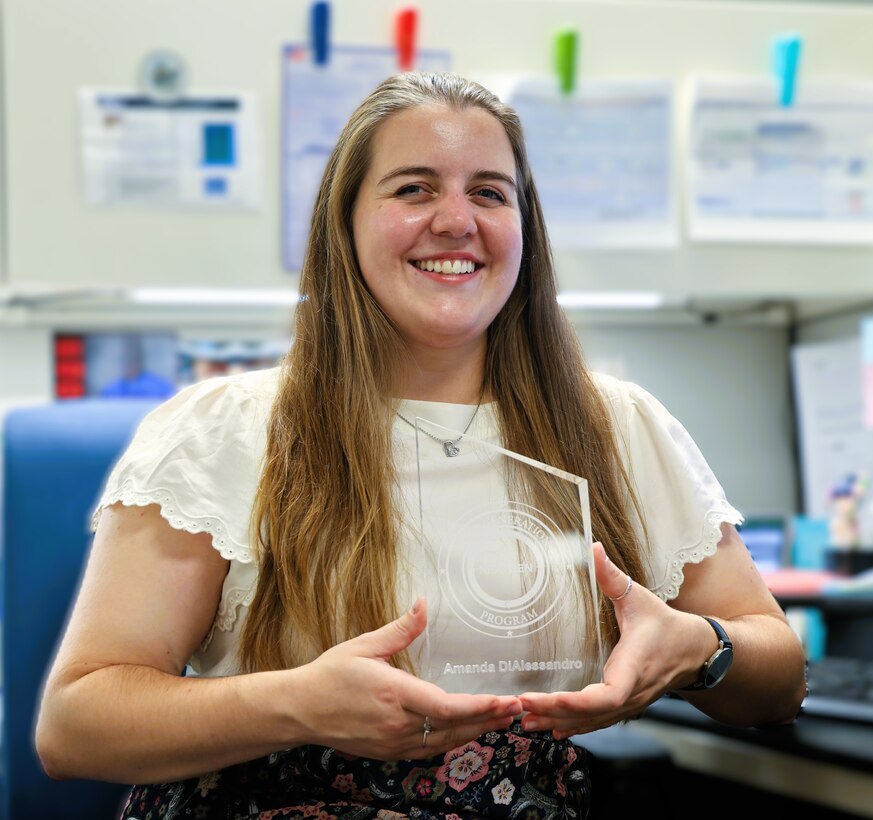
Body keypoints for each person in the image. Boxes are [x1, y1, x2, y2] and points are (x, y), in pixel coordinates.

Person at [35, 72, 807, 819]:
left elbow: (777, 673)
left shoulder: (618, 425)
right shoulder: (221, 429)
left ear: (523, 230)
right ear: (346, 223)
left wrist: (696, 647)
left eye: (488, 193)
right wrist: (293, 704)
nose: (455, 220)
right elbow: (76, 726)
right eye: (413, 188)